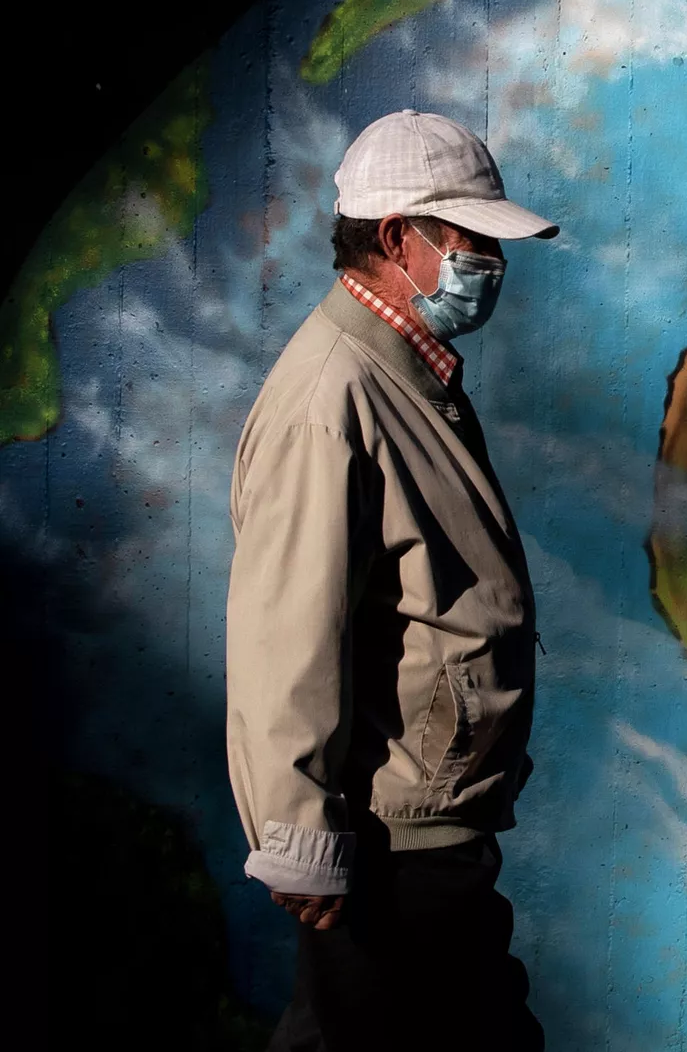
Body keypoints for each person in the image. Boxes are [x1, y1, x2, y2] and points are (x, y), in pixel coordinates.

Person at [225, 109, 557, 1051]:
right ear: (398, 237)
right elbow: (284, 634)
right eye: (470, 239)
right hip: (389, 846)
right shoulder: (333, 397)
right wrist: (296, 833)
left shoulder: (404, 373)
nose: (492, 262)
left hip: (430, 830)